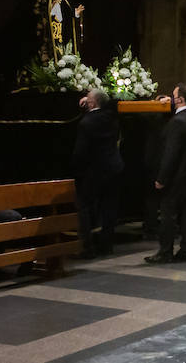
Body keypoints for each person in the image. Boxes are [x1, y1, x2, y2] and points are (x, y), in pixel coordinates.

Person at [146, 83, 186, 264]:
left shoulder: (178, 121)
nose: (170, 99)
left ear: (179, 99)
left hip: (178, 173)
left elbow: (171, 153)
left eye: (173, 96)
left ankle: (165, 251)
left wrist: (162, 178)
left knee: (168, 212)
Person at [73, 88, 123, 257]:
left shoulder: (86, 122)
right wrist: (89, 103)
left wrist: (78, 170)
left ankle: (87, 247)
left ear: (92, 103)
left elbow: (81, 152)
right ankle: (106, 245)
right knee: (109, 207)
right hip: (114, 168)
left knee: (84, 205)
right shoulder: (112, 118)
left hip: (95, 170)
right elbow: (111, 105)